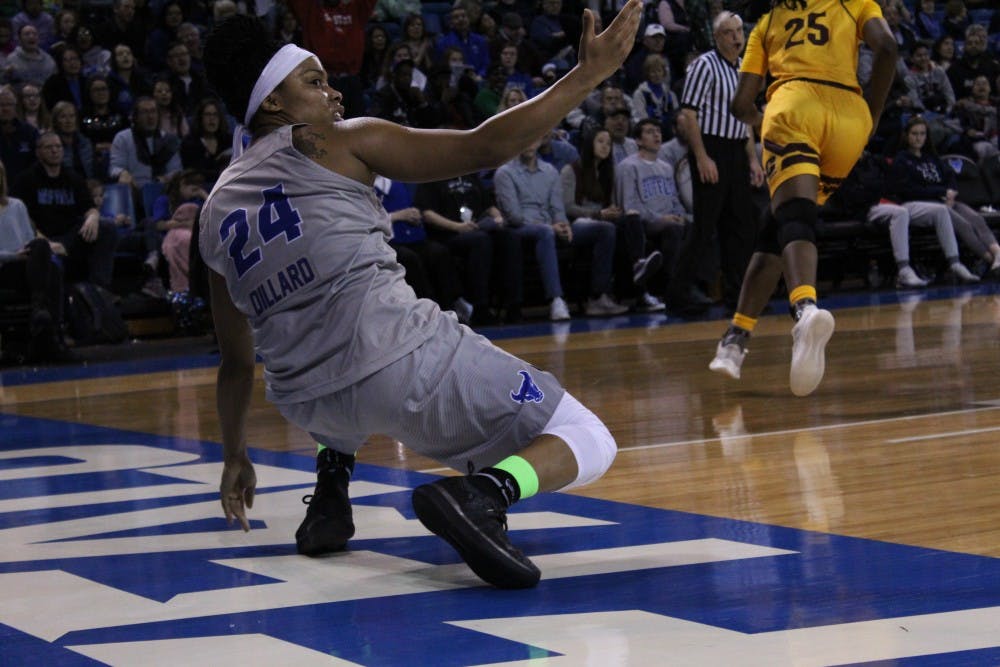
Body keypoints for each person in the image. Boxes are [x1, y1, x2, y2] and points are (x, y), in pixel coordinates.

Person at [200, 4, 641, 589]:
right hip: (398, 366)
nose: (333, 94)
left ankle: (331, 491)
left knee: (324, 342)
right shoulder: (338, 140)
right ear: (274, 104)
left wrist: (235, 456)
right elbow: (485, 146)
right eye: (314, 82)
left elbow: (235, 363)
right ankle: (485, 495)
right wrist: (587, 74)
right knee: (587, 436)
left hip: (309, 402)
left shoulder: (214, 211)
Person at [708, 0, 897, 397]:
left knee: (794, 215)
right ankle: (736, 339)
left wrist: (767, 121)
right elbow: (888, 48)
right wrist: (872, 113)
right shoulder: (855, 2)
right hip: (849, 120)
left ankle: (804, 309)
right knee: (781, 224)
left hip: (793, 108)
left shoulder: (767, 21)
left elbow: (741, 104)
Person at [667, 11, 765, 315]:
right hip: (711, 148)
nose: (737, 37)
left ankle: (739, 297)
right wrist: (702, 157)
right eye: (729, 32)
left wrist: (752, 160)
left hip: (737, 149)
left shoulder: (743, 69)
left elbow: (746, 118)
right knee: (704, 228)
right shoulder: (704, 65)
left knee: (740, 228)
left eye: (739, 31)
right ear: (716, 36)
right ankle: (678, 295)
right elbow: (689, 114)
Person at [561, 126, 662, 308]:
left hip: (602, 220)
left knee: (632, 218)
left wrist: (613, 211)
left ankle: (640, 277)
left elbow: (610, 207)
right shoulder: (572, 170)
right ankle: (598, 295)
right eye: (600, 141)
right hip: (575, 224)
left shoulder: (609, 172)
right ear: (589, 143)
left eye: (608, 143)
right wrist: (598, 214)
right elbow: (567, 207)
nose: (605, 146)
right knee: (608, 230)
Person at [889, 115, 1000, 277]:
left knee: (976, 219)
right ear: (906, 136)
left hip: (946, 200)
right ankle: (991, 261)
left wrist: (951, 192)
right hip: (924, 204)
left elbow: (950, 177)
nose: (918, 138)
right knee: (964, 224)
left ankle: (998, 254)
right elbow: (908, 190)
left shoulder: (932, 157)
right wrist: (940, 192)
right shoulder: (902, 160)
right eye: (914, 134)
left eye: (922, 134)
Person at [12, 131, 119, 290]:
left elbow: (89, 207)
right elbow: (20, 218)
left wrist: (93, 217)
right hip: (39, 236)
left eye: (58, 147)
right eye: (49, 147)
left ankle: (98, 289)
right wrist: (46, 242)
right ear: (38, 152)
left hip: (70, 235)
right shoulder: (26, 179)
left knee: (107, 228)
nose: (55, 151)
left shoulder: (73, 177)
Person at [0, 158, 71, 362]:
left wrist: (28, 252)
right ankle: (53, 336)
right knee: (52, 270)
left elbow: (28, 239)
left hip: (27, 265)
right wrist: (14, 255)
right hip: (5, 267)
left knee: (41, 246)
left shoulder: (17, 205)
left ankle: (47, 324)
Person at [615, 118, 685, 312]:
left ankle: (676, 290)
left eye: (658, 131)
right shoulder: (628, 166)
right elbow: (630, 206)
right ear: (637, 140)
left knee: (685, 226)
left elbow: (674, 199)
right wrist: (659, 219)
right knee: (672, 229)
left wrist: (679, 214)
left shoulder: (666, 167)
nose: (656, 135)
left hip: (668, 220)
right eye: (649, 132)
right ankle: (663, 290)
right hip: (642, 223)